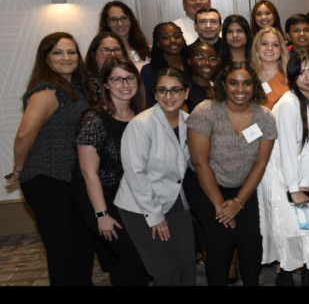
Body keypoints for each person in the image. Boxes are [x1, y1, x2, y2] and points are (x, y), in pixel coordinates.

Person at [9, 33, 92, 285]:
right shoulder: (46, 90)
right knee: (62, 249)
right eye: (57, 52)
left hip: (70, 178)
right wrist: (20, 167)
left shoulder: (76, 87)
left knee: (81, 242)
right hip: (47, 179)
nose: (66, 57)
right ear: (45, 58)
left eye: (71, 51)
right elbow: (24, 135)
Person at [185, 61, 277, 286]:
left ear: (254, 86)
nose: (240, 89)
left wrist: (238, 201)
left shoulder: (264, 117)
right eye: (233, 83)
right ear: (223, 85)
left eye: (247, 83)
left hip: (242, 187)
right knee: (221, 240)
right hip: (205, 185)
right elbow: (200, 162)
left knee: (251, 240)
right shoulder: (205, 111)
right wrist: (220, 205)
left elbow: (260, 164)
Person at [72, 57, 149, 286]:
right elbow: (88, 173)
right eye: (116, 79)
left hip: (127, 195)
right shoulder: (94, 119)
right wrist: (101, 215)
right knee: (133, 255)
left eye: (129, 78)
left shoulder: (142, 116)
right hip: (97, 197)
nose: (124, 85)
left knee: (141, 256)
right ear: (105, 84)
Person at [115, 67, 195, 286]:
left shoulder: (191, 122)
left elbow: (192, 162)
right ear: (155, 93)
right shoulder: (141, 124)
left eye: (175, 90)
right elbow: (136, 174)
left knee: (187, 263)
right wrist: (156, 215)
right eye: (162, 91)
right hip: (141, 205)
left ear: (186, 93)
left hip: (176, 199)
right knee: (165, 269)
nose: (169, 97)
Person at [259, 51, 309, 286]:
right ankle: (285, 275)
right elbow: (287, 148)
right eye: (300, 73)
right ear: (292, 76)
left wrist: (305, 182)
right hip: (279, 172)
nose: (308, 77)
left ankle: (308, 271)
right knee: (288, 226)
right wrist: (293, 187)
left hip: (302, 175)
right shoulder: (287, 104)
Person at [141, 23, 187, 107]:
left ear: (183, 40)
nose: (173, 40)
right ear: (158, 43)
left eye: (177, 36)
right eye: (166, 37)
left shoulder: (193, 65)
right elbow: (151, 104)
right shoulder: (149, 71)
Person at [99, 1, 150, 68]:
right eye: (113, 19)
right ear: (107, 23)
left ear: (131, 20)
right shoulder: (101, 54)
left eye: (124, 18)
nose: (120, 24)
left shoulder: (148, 49)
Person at [251, 26, 290, 109]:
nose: (269, 48)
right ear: (257, 47)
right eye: (264, 44)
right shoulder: (247, 75)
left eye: (275, 45)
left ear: (281, 49)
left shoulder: (291, 76)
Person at [84, 32, 128, 102]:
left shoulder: (131, 77)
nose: (113, 54)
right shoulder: (85, 82)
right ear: (93, 54)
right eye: (105, 50)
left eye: (116, 49)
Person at [185, 41, 222, 112]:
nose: (207, 63)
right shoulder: (186, 91)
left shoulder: (221, 86)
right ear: (189, 61)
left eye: (212, 59)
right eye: (201, 58)